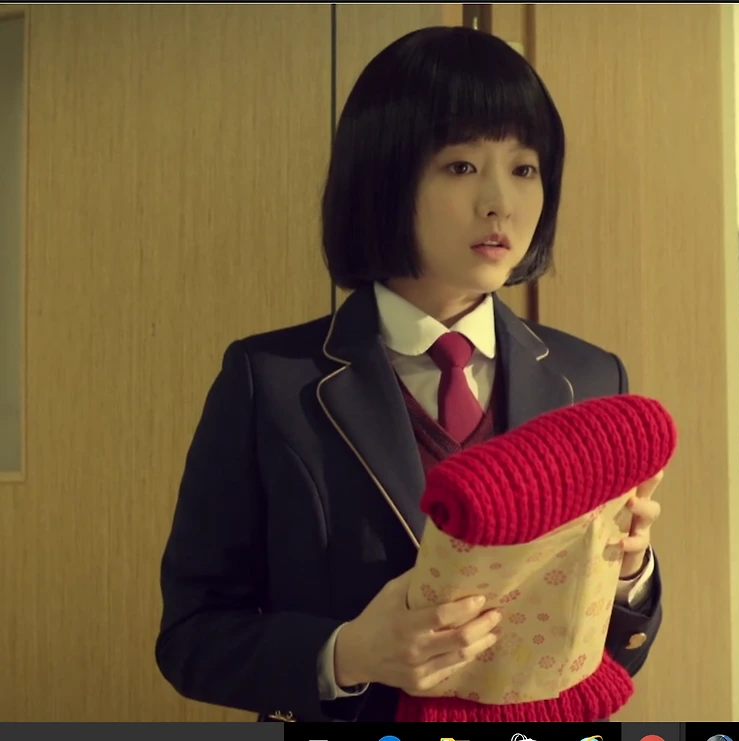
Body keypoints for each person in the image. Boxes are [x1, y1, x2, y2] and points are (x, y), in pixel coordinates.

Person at [155, 26, 664, 723]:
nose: (500, 202)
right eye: (462, 165)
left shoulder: (590, 376)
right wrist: (348, 654)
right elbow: (192, 637)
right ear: (385, 179)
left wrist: (631, 571)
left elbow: (609, 654)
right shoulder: (270, 382)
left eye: (524, 168)